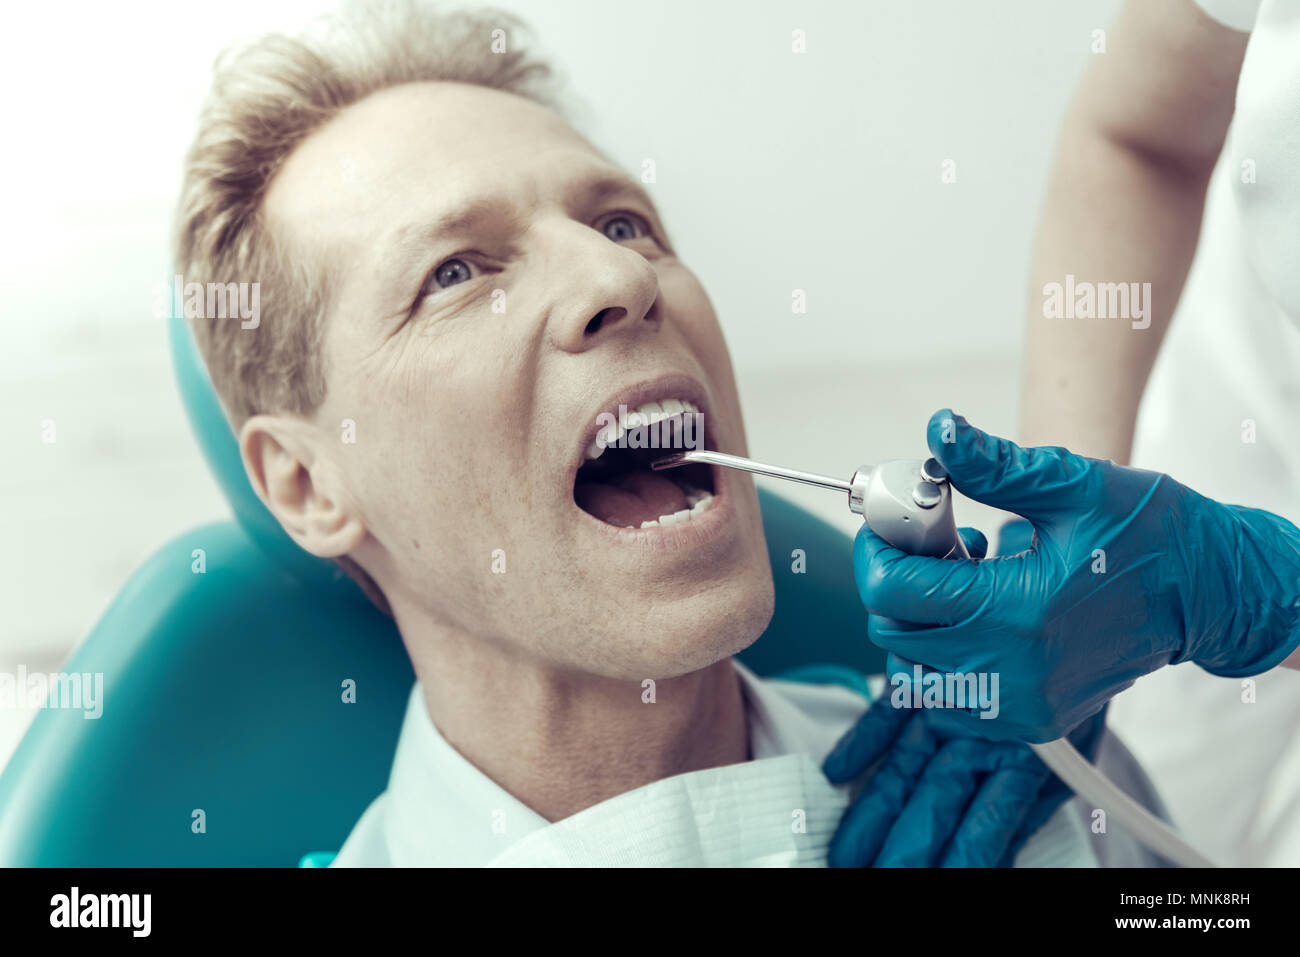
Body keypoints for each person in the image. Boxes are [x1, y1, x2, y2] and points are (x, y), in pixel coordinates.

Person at [175, 0, 1120, 867]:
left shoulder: (1034, 773)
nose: (619, 279)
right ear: (306, 483)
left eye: (624, 225)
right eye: (456, 272)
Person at [840, 0, 1300, 867]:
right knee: (1147, 794)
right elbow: (1141, 138)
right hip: (1255, 381)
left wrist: (1253, 585)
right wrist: (1063, 537)